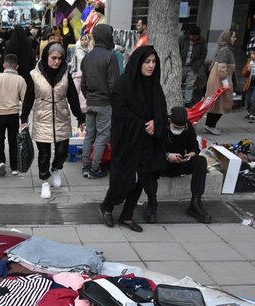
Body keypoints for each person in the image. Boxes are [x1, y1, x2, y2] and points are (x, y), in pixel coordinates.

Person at [99, 46, 167, 233]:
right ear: (138, 62)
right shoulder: (124, 84)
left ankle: (127, 216)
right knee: (124, 179)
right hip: (128, 141)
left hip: (147, 142)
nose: (151, 66)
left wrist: (156, 122)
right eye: (147, 61)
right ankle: (107, 206)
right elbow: (120, 111)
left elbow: (161, 110)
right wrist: (142, 124)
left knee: (142, 180)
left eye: (154, 62)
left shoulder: (154, 85)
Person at [21, 42, 85, 199]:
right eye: (53, 58)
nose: (56, 61)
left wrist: (80, 117)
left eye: (60, 58)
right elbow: (28, 98)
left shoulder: (65, 74)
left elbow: (73, 97)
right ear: (46, 57)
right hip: (42, 117)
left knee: (62, 152)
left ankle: (56, 168)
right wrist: (23, 118)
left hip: (62, 117)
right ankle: (44, 181)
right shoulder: (34, 75)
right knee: (44, 154)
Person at [145, 106, 211, 224]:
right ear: (170, 120)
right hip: (161, 163)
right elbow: (150, 150)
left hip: (179, 163)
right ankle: (152, 204)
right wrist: (167, 156)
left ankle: (195, 202)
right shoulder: (160, 126)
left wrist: (188, 157)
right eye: (175, 128)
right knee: (148, 166)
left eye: (181, 128)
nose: (178, 130)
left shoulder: (188, 127)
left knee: (201, 161)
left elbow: (194, 148)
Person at [80, 24, 119, 179]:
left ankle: (85, 166)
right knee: (102, 136)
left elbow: (83, 83)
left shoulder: (88, 56)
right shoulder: (111, 56)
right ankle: (95, 168)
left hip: (91, 101)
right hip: (105, 103)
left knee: (89, 135)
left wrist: (89, 96)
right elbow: (113, 84)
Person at [0, 53, 27, 176]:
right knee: (13, 140)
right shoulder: (20, 79)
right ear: (17, 67)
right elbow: (25, 98)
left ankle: (1, 162)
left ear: (4, 65)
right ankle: (14, 167)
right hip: (14, 113)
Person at [204, 29, 236, 136]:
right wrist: (225, 82)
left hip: (217, 81)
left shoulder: (223, 48)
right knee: (222, 105)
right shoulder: (226, 50)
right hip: (220, 82)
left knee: (215, 105)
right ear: (228, 37)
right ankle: (210, 125)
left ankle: (209, 125)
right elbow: (222, 68)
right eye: (233, 37)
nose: (235, 39)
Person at [179, 25, 207, 107]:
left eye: (195, 36)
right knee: (178, 82)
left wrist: (198, 64)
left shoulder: (201, 41)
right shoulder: (182, 39)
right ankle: (178, 99)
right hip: (182, 65)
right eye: (192, 36)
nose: (194, 38)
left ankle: (187, 101)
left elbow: (203, 54)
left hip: (193, 66)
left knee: (190, 85)